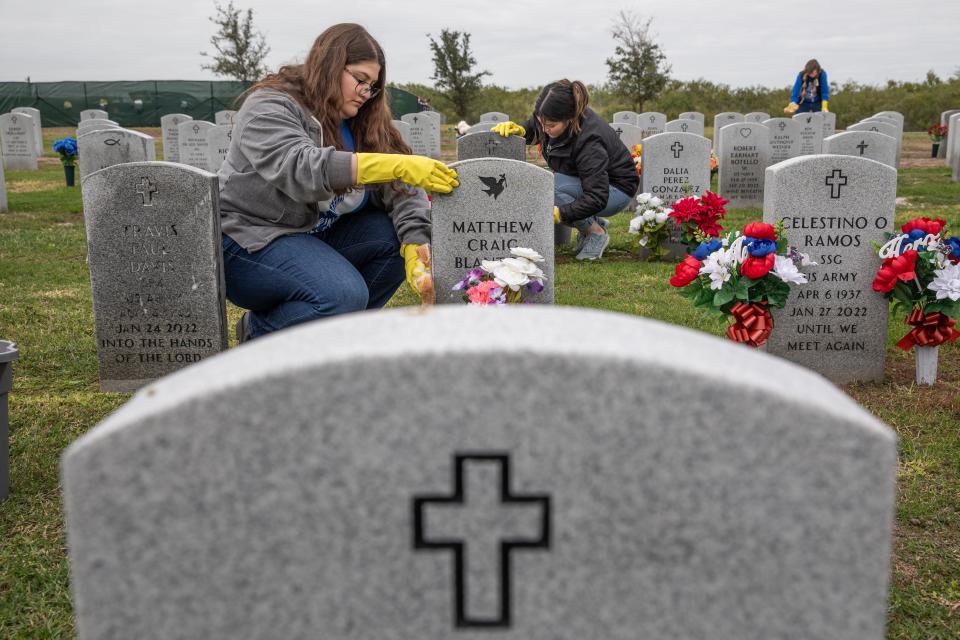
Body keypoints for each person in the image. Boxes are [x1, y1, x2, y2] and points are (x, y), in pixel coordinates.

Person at [217, 23, 458, 342]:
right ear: (329, 66)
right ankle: (259, 332)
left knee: (393, 241)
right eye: (360, 79)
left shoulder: (363, 121)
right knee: (342, 294)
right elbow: (299, 169)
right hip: (248, 240)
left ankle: (335, 341)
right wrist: (394, 164)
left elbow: (400, 186)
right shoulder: (270, 104)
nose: (366, 92)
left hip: (313, 235)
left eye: (372, 86)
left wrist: (415, 239)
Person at [490, 80, 639, 260]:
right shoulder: (550, 117)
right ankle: (593, 222)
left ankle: (595, 233)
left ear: (569, 118)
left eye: (551, 126)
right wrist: (522, 129)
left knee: (549, 189)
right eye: (541, 122)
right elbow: (536, 125)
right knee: (547, 185)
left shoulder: (590, 141)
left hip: (615, 190)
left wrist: (560, 213)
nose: (545, 130)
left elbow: (597, 197)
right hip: (586, 181)